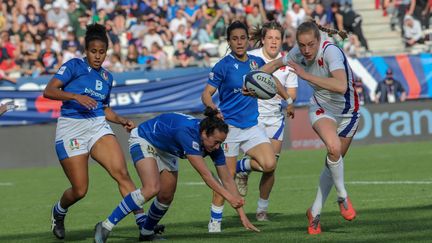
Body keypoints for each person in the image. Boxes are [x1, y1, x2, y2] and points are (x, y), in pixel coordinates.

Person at [94, 109, 259, 242]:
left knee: (166, 196)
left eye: (220, 143)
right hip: (145, 138)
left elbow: (227, 180)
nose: (217, 147)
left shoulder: (213, 146)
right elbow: (207, 176)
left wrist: (242, 216)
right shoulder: (187, 134)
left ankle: (146, 233)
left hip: (168, 149)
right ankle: (106, 225)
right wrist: (230, 198)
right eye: (216, 142)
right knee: (151, 188)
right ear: (204, 133)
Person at [43, 23, 143, 240]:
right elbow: (49, 91)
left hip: (97, 126)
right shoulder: (73, 66)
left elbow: (103, 108)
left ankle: (144, 226)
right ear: (86, 51)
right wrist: (75, 96)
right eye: (93, 51)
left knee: (122, 173)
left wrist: (121, 119)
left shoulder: (107, 77)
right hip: (72, 128)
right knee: (80, 190)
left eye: (102, 52)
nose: (98, 56)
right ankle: (59, 211)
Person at [261, 21, 359, 234]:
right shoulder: (298, 53)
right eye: (302, 45)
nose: (306, 50)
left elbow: (341, 86)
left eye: (310, 45)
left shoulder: (330, 51)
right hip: (322, 108)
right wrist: (251, 79)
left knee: (333, 161)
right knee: (333, 149)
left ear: (319, 40)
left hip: (349, 112)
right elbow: (275, 65)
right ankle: (342, 196)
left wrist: (304, 75)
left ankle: (314, 212)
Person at [201, 21, 295, 233]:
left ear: (247, 39)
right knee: (227, 178)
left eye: (242, 38)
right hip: (230, 129)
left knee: (270, 164)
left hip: (253, 126)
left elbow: (270, 80)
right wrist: (213, 108)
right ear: (229, 42)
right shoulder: (223, 66)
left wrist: (287, 99)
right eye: (234, 39)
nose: (239, 42)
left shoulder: (255, 62)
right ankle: (215, 221)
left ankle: (244, 168)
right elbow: (206, 93)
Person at [244, 20, 298, 221]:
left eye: (277, 38)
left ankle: (261, 209)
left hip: (275, 120)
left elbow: (292, 93)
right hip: (252, 118)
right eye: (270, 38)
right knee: (263, 162)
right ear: (263, 39)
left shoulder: (288, 64)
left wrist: (278, 95)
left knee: (271, 167)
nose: (274, 42)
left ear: (282, 40)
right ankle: (243, 167)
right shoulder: (252, 58)